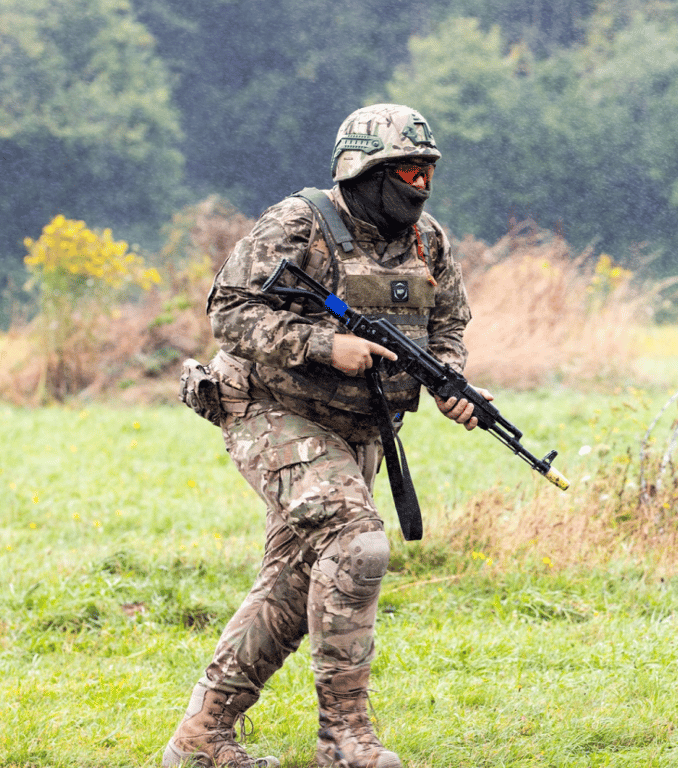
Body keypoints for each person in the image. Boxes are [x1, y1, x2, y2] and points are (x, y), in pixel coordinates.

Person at [163, 104, 485, 768]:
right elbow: (228, 312)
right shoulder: (298, 224)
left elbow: (449, 322)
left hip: (355, 427)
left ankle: (201, 739)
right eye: (406, 171)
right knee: (358, 543)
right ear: (362, 171)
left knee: (294, 579)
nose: (420, 184)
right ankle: (344, 739)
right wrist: (321, 343)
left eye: (427, 170)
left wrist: (449, 379)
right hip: (267, 406)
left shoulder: (429, 243)